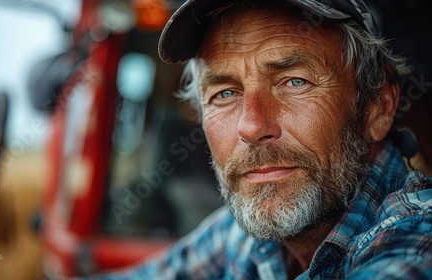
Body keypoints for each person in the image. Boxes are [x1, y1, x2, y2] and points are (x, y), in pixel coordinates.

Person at [95, 0, 432, 278]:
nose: (252, 126)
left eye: (295, 82)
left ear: (378, 105)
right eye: (225, 93)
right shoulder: (245, 237)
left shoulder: (417, 241)